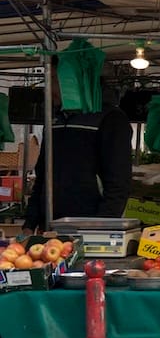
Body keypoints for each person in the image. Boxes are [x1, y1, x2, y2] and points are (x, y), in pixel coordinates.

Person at [23, 79, 133, 234]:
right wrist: (30, 223)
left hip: (88, 226)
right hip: (49, 227)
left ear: (73, 81)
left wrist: (101, 226)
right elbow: (42, 176)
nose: (47, 89)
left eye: (54, 80)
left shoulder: (111, 119)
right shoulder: (54, 119)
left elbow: (119, 182)